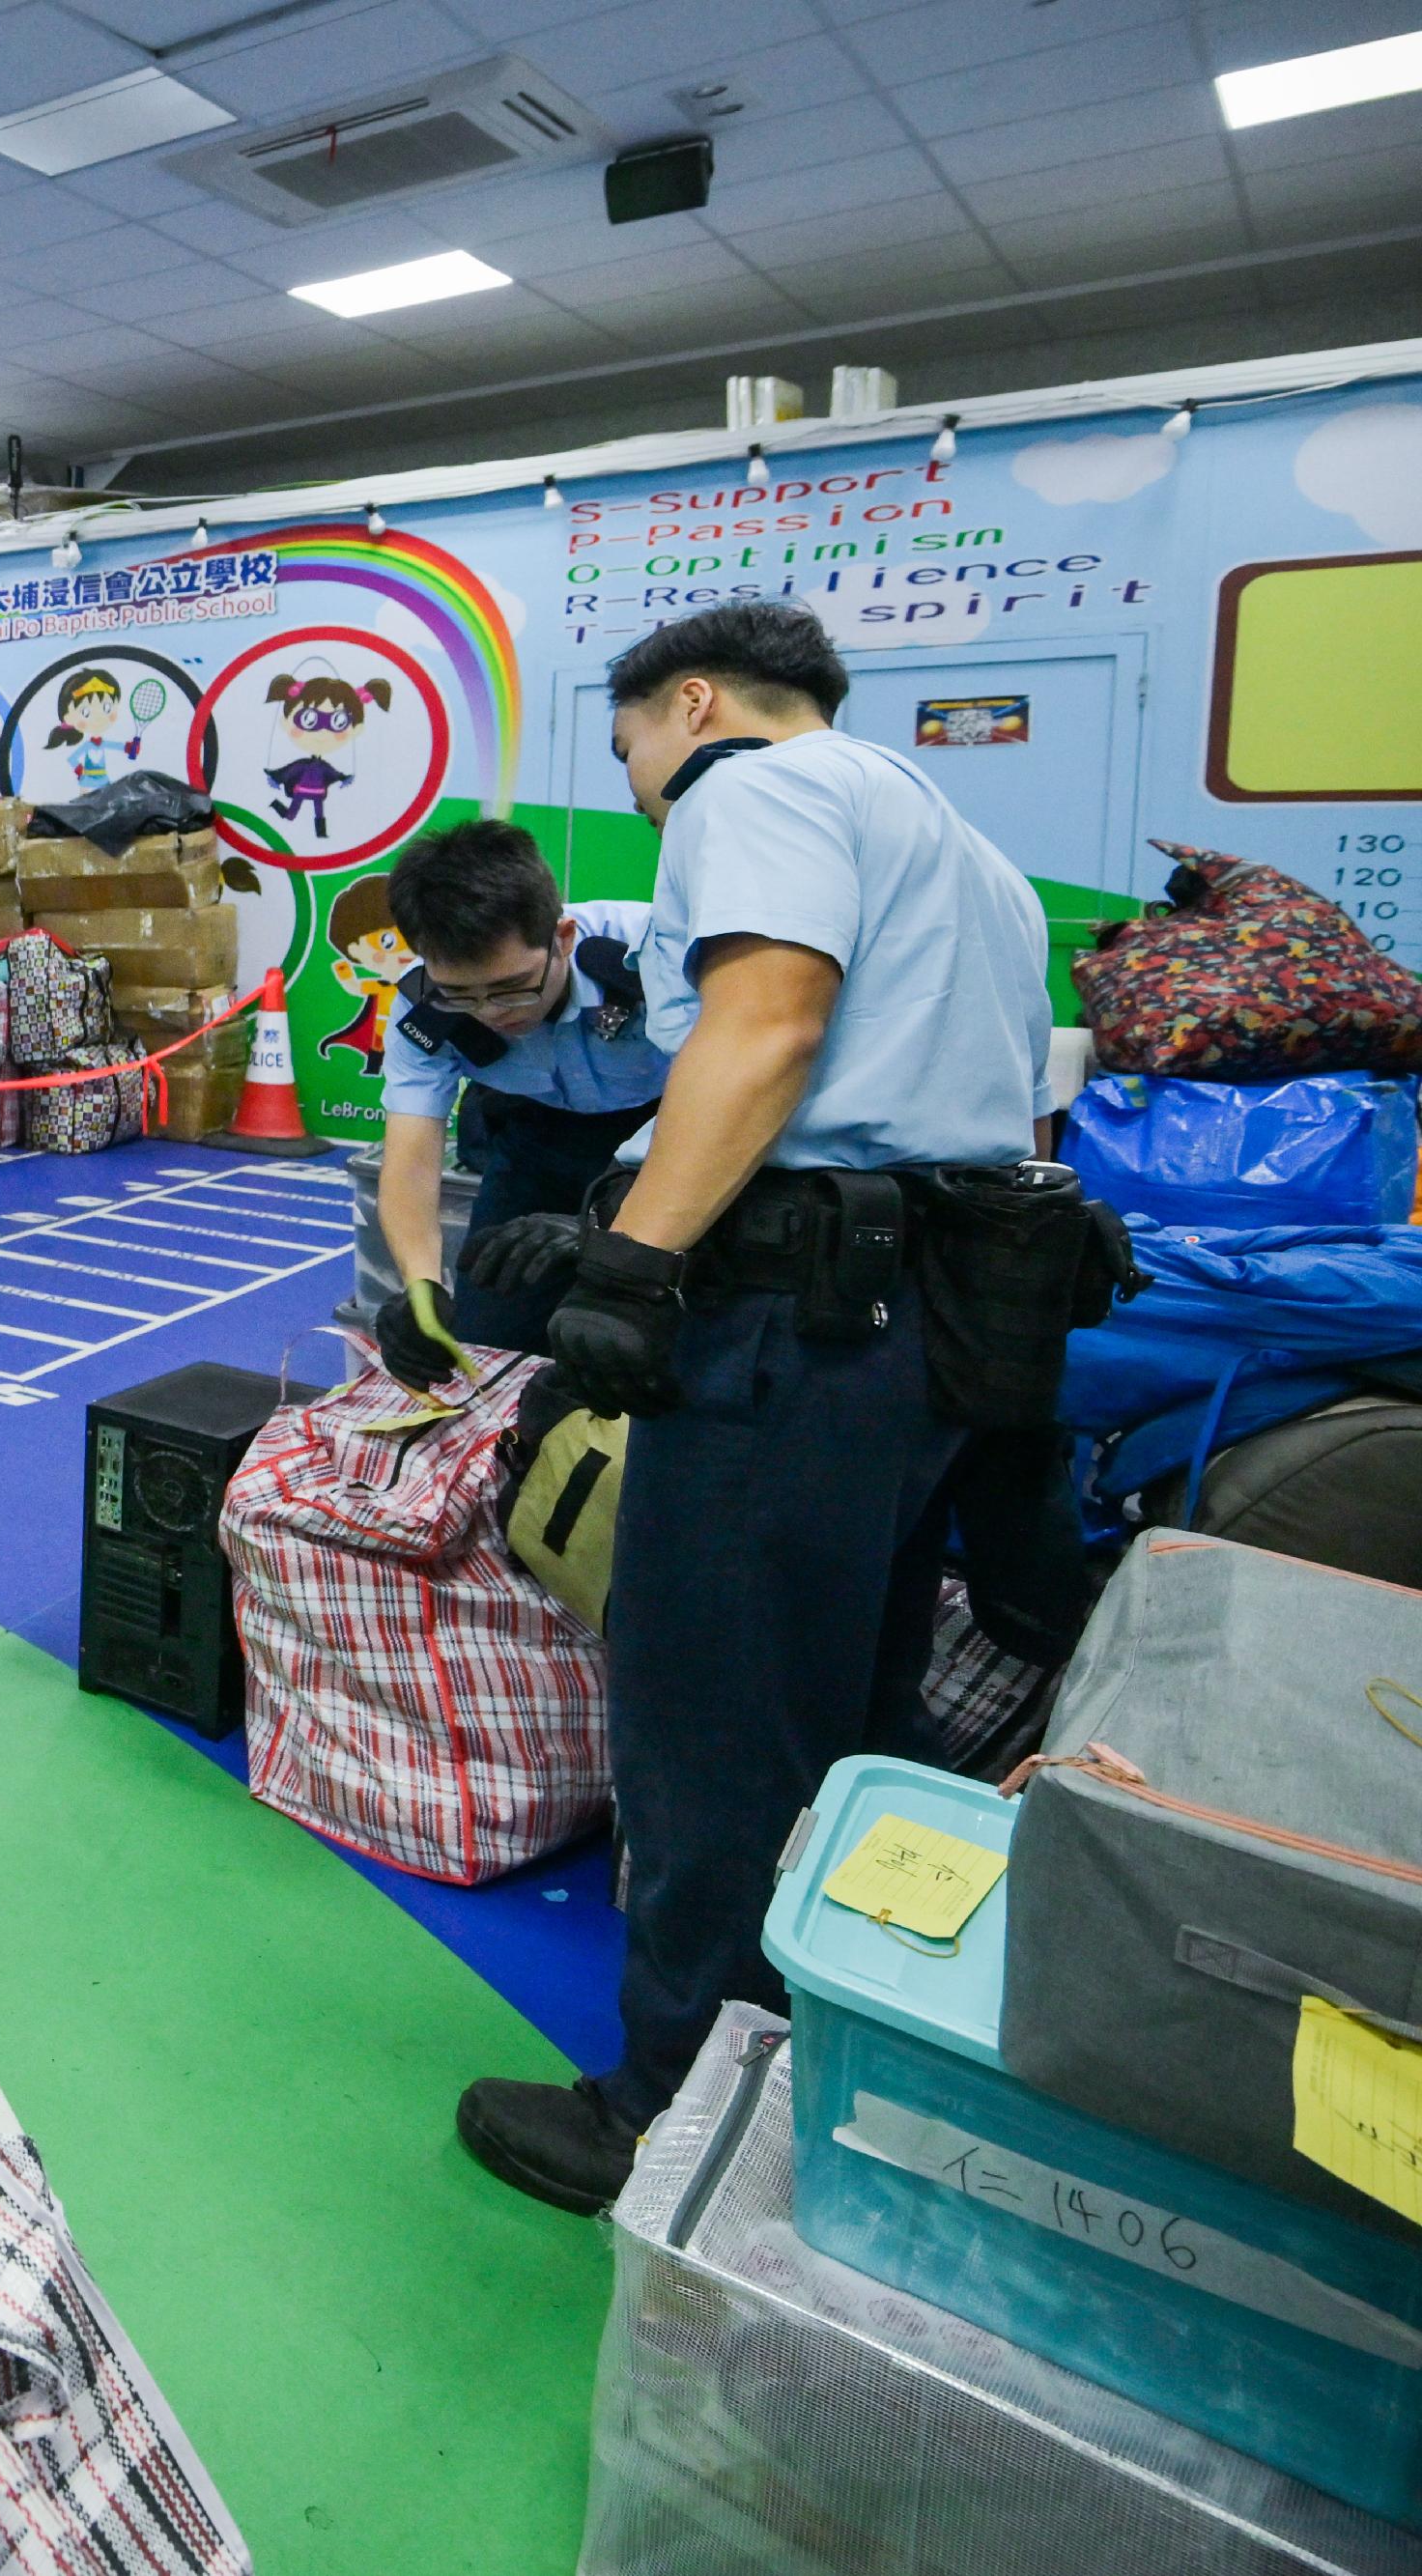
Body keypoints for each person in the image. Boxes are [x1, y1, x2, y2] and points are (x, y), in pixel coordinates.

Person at [454, 602, 1070, 2216]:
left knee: (714, 1726)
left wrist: (634, 1264)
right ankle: (841, 2050)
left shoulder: (758, 788)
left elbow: (772, 1022)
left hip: (789, 1325)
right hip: (930, 1330)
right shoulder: (971, 855)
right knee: (855, 1704)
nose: (640, 783)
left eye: (629, 749)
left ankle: (671, 2114)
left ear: (694, 703)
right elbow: (982, 1111)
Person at [367, 820, 670, 1383]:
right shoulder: (425, 1007)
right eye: (462, 994)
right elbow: (410, 1163)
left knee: (637, 1350)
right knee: (487, 1346)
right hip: (534, 1146)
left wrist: (610, 1231)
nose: (491, 1013)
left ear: (563, 938)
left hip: (667, 1144)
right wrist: (420, 1286)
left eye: (513, 987)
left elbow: (739, 1105)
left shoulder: (657, 959)